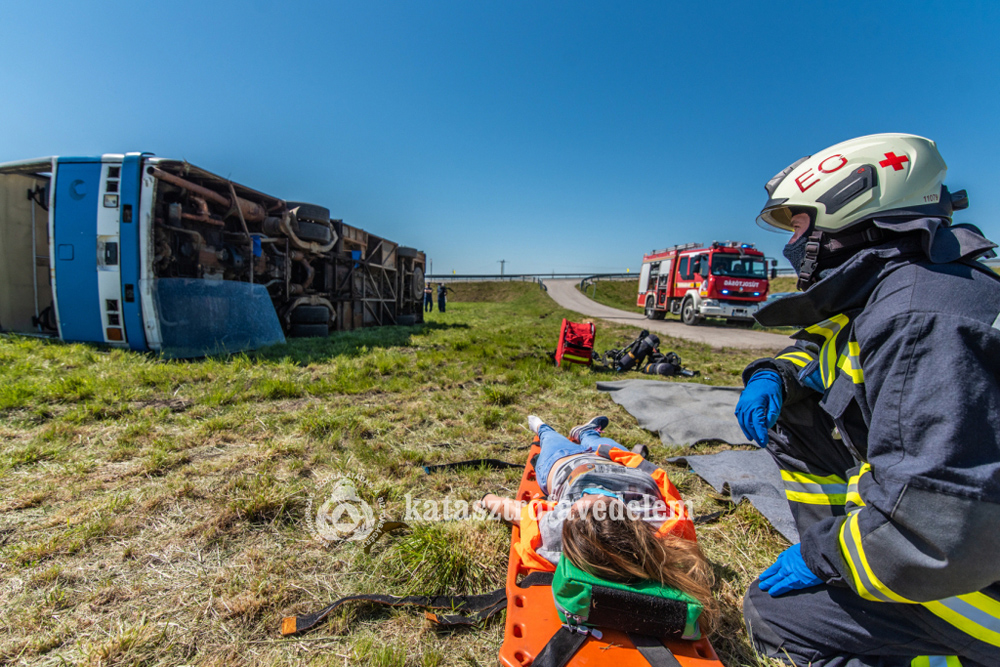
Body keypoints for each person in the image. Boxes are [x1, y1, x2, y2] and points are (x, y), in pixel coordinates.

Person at [735, 133, 1000, 666]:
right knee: (794, 410)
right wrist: (774, 374)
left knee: (774, 614)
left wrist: (826, 558)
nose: (793, 241)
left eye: (801, 223)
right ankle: (855, 560)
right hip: (961, 542)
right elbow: (828, 346)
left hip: (971, 576)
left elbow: (940, 523)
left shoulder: (921, 319)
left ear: (849, 203)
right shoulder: (914, 287)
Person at [479, 415, 718, 631]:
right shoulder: (662, 525)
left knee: (548, 436)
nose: (596, 492)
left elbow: (517, 512)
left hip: (566, 464)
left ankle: (544, 427)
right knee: (596, 443)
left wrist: (485, 499)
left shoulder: (556, 530)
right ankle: (586, 432)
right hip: (620, 462)